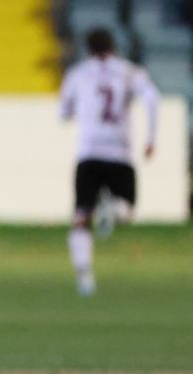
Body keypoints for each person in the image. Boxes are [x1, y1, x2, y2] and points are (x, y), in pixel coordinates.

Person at [58, 27, 158, 297]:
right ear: (113, 47)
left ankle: (85, 277)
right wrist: (151, 137)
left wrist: (76, 110)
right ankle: (110, 209)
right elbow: (151, 97)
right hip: (119, 152)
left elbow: (63, 113)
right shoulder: (128, 71)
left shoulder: (78, 73)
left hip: (89, 152)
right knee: (126, 212)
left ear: (87, 49)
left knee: (80, 218)